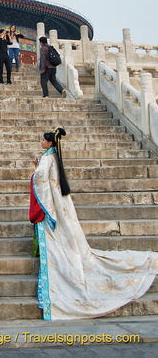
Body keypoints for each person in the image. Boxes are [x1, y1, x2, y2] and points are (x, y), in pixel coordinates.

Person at [30, 127, 158, 321]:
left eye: (42, 140)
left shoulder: (48, 158)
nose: (41, 142)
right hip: (62, 202)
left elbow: (40, 178)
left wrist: (34, 171)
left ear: (49, 142)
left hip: (54, 205)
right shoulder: (54, 156)